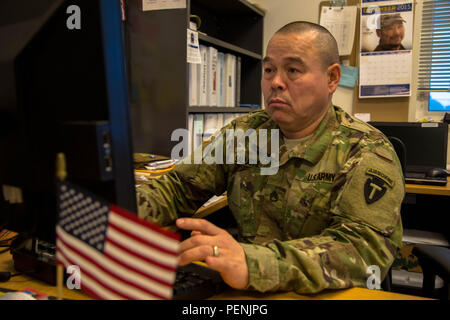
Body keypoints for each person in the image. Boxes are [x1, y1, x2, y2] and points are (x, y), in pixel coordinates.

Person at [137, 21, 404, 294]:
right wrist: (119, 211)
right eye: (269, 70)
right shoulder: (243, 134)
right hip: (247, 290)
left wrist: (255, 264)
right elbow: (178, 188)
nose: (275, 82)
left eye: (292, 70)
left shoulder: (367, 150)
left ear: (332, 78)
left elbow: (362, 250)